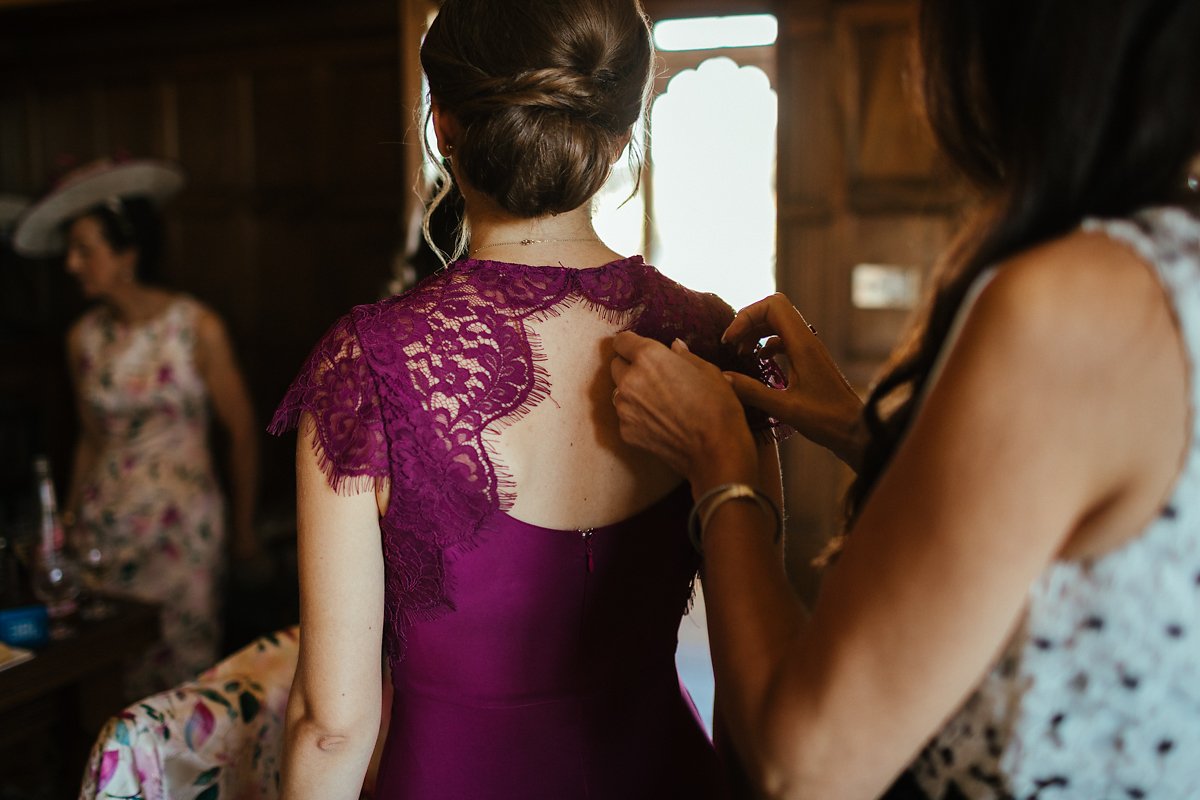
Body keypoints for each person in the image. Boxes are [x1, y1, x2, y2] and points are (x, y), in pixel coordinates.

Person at [609, 1, 1200, 798]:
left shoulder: (1074, 307)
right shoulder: (1173, 265)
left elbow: (805, 764)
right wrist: (863, 431)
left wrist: (720, 458)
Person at [268, 1, 784, 797]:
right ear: (619, 133)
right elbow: (763, 668)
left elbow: (332, 725)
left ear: (441, 126)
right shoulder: (713, 340)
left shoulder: (366, 364)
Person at [12, 158, 261, 697]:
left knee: (181, 673)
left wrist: (242, 531)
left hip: (182, 530)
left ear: (126, 254)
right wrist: (71, 526)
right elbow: (90, 438)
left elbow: (241, 431)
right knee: (108, 671)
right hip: (108, 529)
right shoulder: (83, 337)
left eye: (85, 250)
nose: (72, 264)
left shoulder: (195, 326)